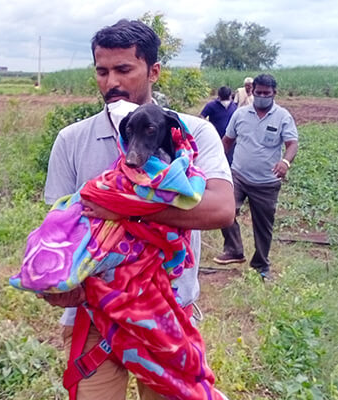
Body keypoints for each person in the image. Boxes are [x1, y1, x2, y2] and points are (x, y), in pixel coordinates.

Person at [41, 19, 234, 400]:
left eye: (124, 69)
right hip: (94, 313)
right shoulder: (71, 139)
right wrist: (56, 280)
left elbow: (221, 209)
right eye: (102, 71)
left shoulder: (193, 132)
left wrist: (123, 210)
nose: (111, 81)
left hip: (167, 310)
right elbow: (58, 227)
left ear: (154, 71)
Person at [214, 74, 299, 281]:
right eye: (258, 92)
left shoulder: (283, 116)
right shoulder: (240, 114)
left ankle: (261, 265)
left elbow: (292, 144)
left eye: (266, 94)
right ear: (252, 92)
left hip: (267, 182)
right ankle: (234, 249)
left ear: (274, 94)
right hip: (238, 175)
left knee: (263, 227)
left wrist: (285, 162)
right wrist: (215, 161)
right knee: (226, 211)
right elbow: (227, 141)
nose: (261, 96)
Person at [200, 86, 237, 163]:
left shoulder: (234, 106)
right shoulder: (211, 105)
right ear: (219, 97)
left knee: (229, 161)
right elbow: (201, 117)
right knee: (216, 160)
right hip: (216, 138)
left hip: (230, 139)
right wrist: (209, 127)